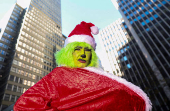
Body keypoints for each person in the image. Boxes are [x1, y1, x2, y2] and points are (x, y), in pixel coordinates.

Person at [14, 21, 152, 111]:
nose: (83, 54)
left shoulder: (99, 76)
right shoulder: (58, 75)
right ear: (68, 52)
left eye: (88, 50)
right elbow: (23, 105)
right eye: (78, 49)